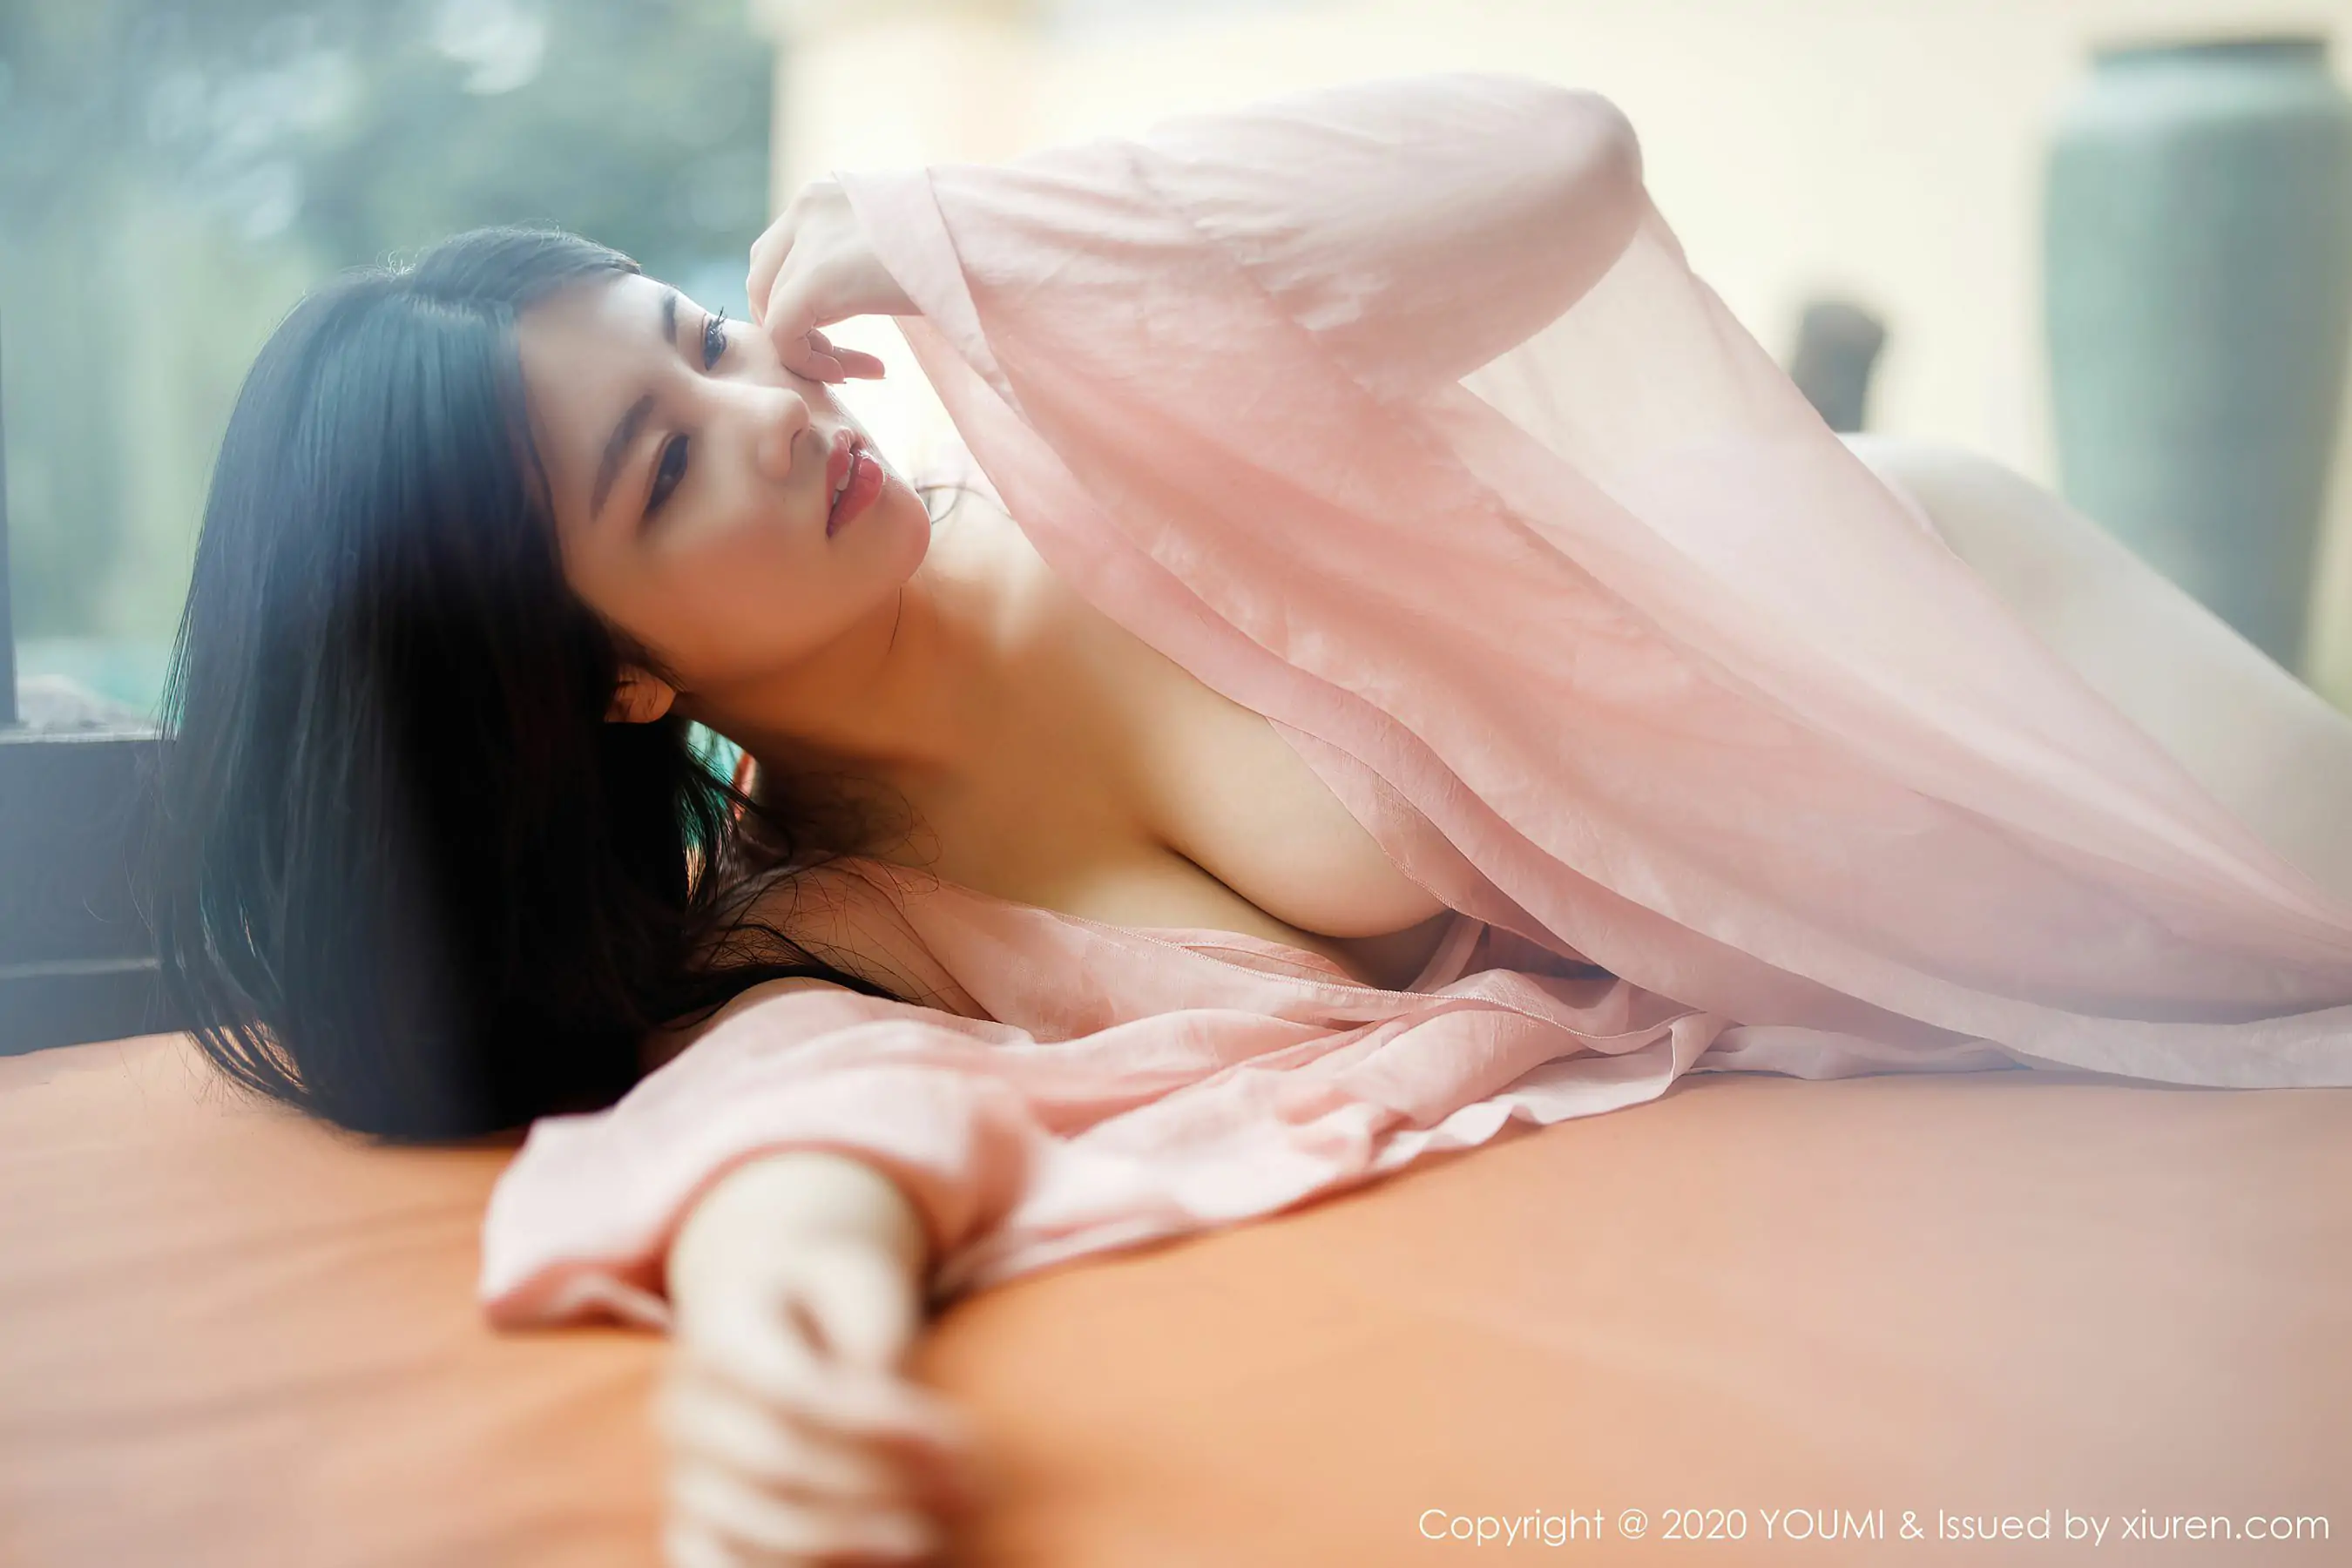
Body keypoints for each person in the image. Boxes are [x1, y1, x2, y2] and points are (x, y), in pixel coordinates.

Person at [154, 73, 2352, 1568]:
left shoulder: (1083, 426)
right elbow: (789, 1119)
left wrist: (948, 231)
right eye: (661, 462)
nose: (768, 408)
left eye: (708, 339)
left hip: (1957, 635)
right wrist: (768, 1329)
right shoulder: (845, 917)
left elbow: (1566, 166)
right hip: (1911, 918)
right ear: (609, 675)